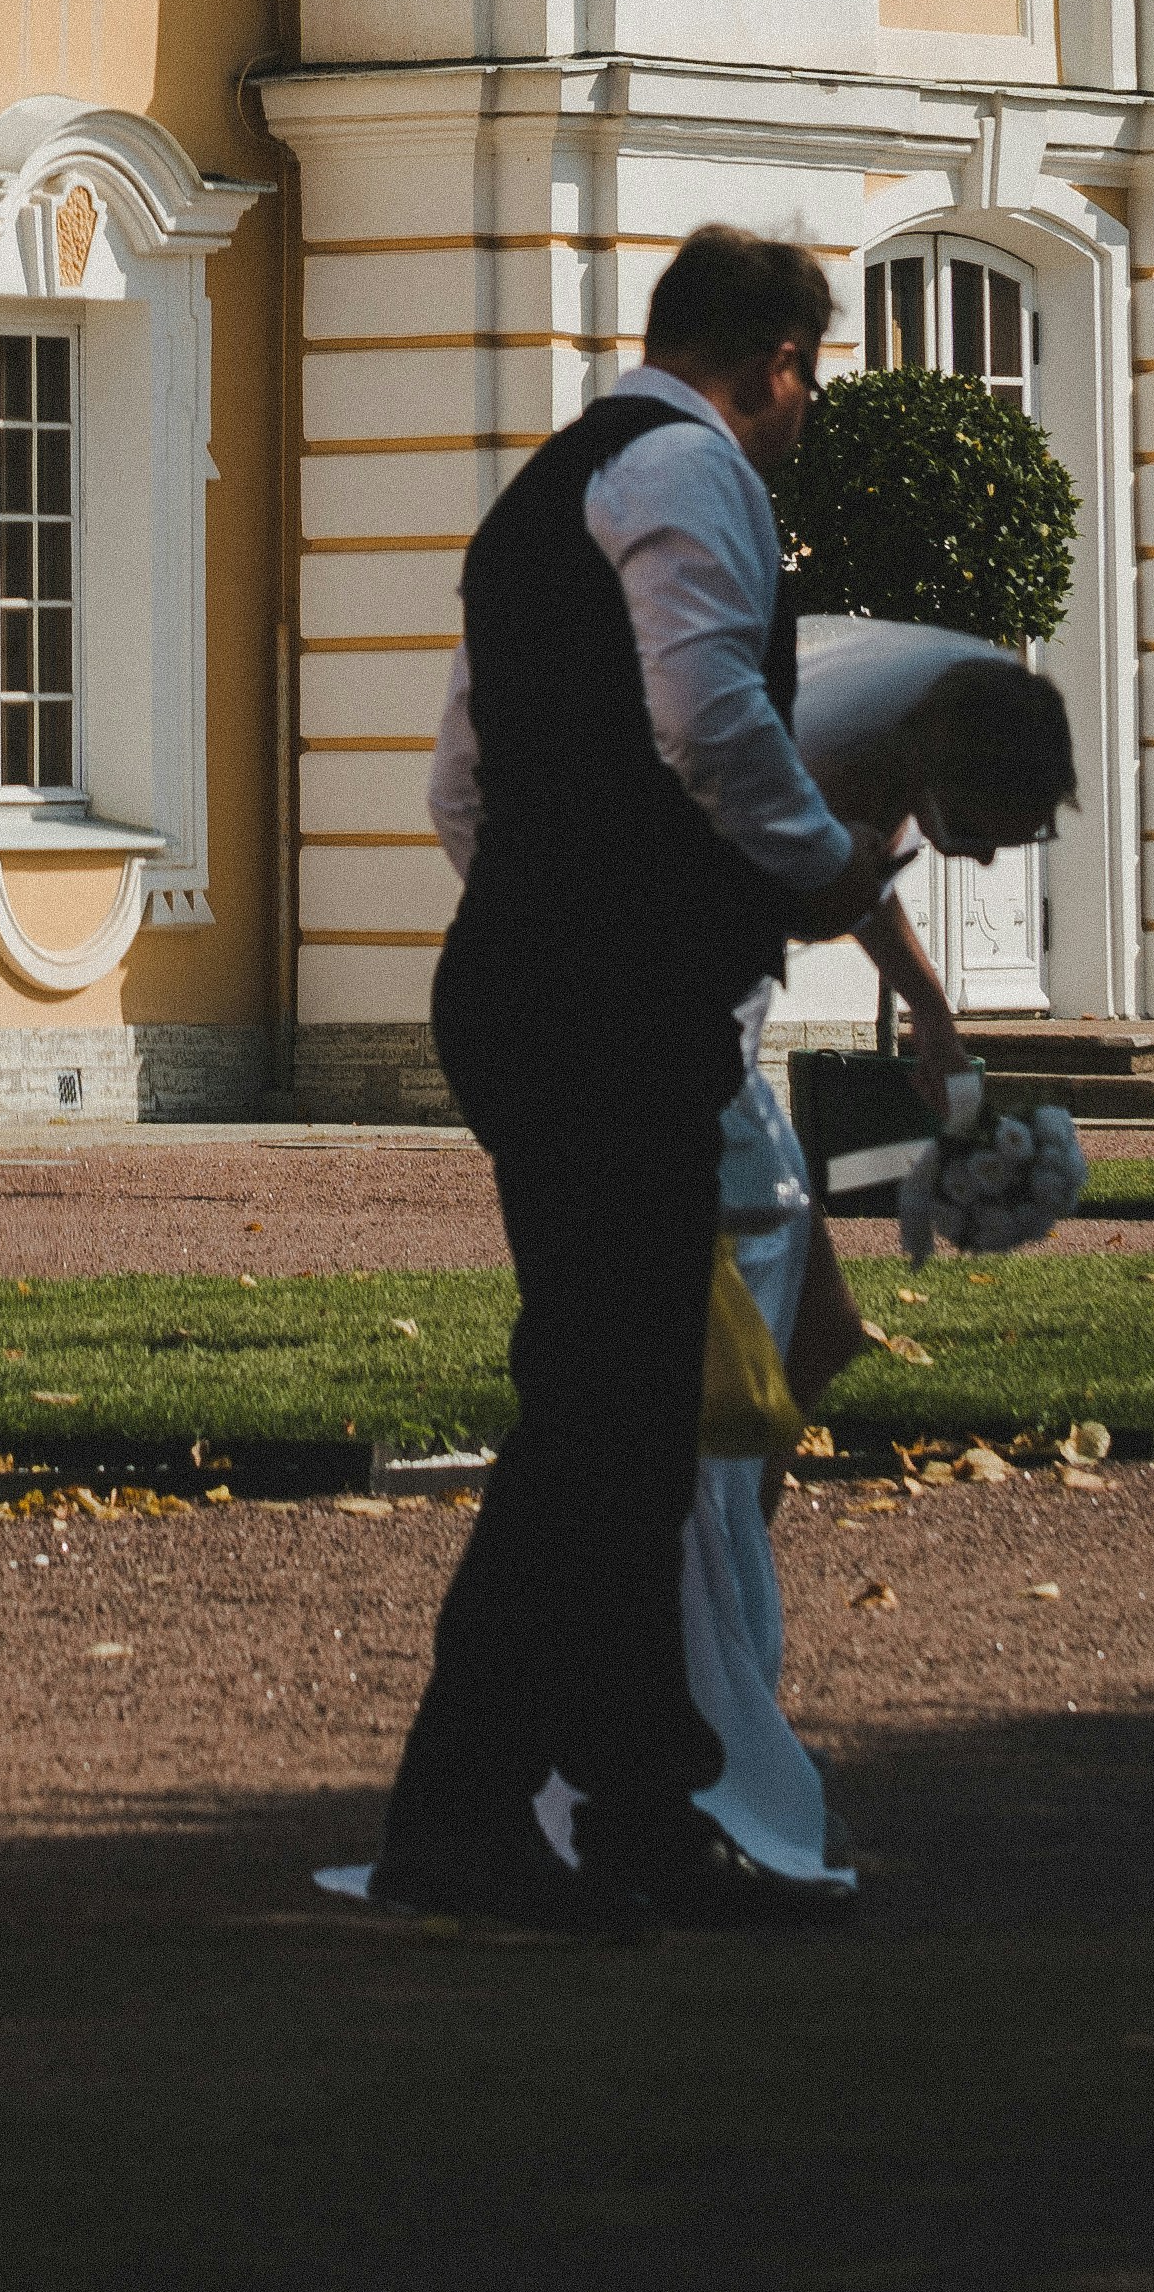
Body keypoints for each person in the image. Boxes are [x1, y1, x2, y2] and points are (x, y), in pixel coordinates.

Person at [366, 223, 905, 1944]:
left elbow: (460, 778)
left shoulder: (546, 484)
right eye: (806, 373)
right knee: (606, 1424)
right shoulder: (692, 466)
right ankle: (485, 1813)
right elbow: (705, 719)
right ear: (774, 361)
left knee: (611, 1417)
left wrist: (546, 897)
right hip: (608, 999)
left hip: (530, 979)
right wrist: (815, 868)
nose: (805, 406)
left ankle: (628, 1806)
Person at [655, 642, 1079, 1897]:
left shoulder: (907, 728)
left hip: (715, 1034)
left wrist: (933, 1008)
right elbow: (815, 871)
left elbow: (848, 875)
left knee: (823, 1334)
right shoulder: (825, 759)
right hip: (684, 1054)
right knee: (726, 1391)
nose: (998, 861)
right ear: (951, 779)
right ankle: (713, 1658)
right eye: (996, 833)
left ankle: (731, 1617)